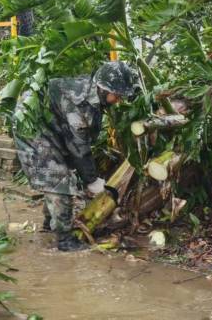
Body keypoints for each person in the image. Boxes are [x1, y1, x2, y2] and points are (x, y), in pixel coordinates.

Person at [13, 61, 139, 251]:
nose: (118, 100)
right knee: (58, 180)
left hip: (53, 127)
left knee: (62, 172)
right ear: (103, 89)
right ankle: (64, 240)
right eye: (117, 95)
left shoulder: (94, 93)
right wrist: (92, 180)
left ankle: (50, 222)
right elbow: (79, 147)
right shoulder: (78, 102)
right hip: (32, 129)